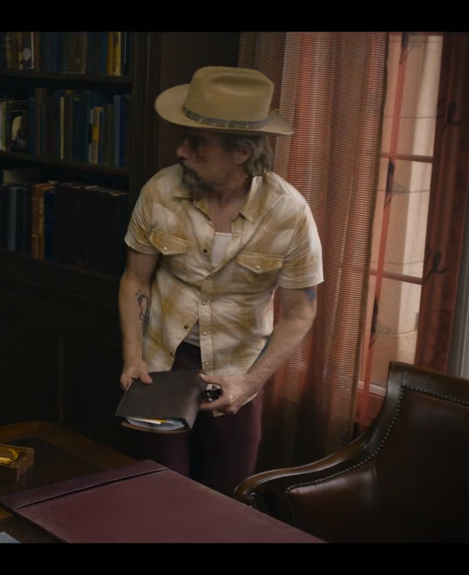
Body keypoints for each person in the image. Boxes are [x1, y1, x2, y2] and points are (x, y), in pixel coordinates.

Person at [117, 66, 323, 497]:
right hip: (162, 368)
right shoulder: (160, 192)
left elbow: (301, 311)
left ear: (242, 152)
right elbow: (135, 278)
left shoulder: (290, 213)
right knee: (157, 494)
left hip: (238, 372)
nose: (180, 151)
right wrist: (133, 357)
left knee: (225, 501)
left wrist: (251, 382)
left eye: (197, 144)